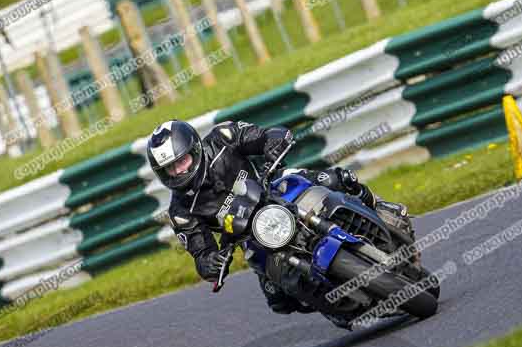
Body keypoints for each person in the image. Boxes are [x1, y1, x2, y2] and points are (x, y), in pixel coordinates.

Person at [146, 119, 414, 319]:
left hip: (276, 186)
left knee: (337, 179)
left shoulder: (222, 138)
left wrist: (273, 142)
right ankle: (344, 306)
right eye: (170, 168)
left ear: (195, 148)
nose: (178, 171)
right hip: (251, 235)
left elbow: (263, 135)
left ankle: (382, 209)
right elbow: (201, 253)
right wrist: (211, 263)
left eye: (181, 161)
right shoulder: (181, 211)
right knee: (280, 300)